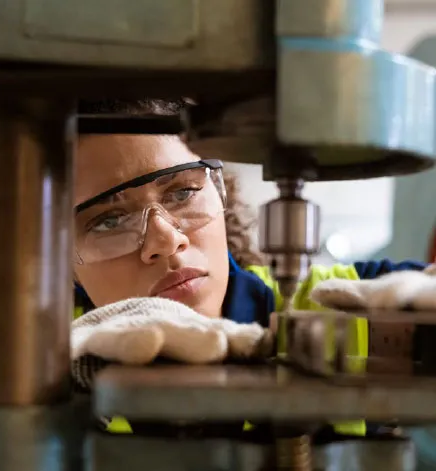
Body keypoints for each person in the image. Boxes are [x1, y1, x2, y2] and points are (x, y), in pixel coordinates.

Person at [71, 98, 432, 436]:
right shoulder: (37, 359)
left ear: (219, 191)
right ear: (57, 257)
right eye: (108, 220)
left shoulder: (346, 308)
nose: (165, 241)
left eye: (182, 193)